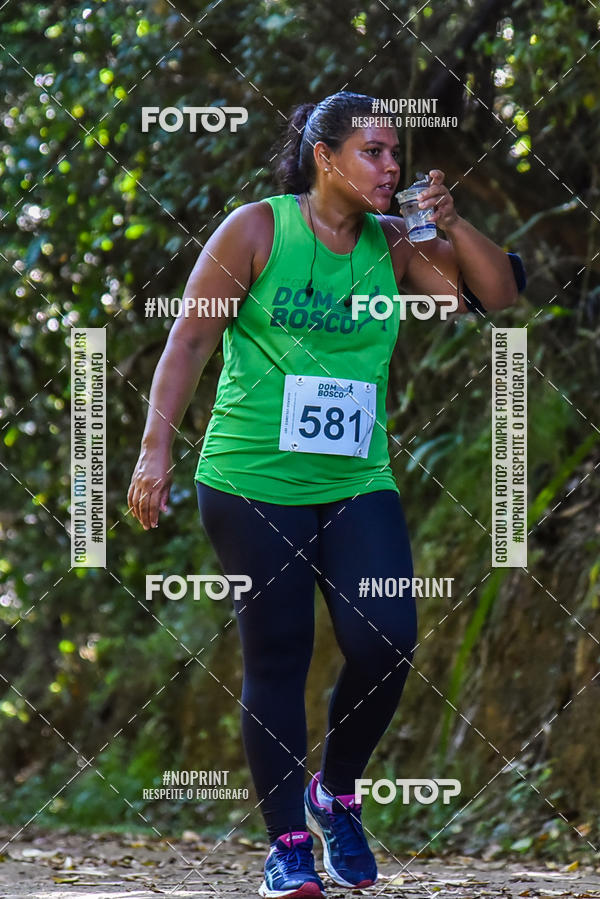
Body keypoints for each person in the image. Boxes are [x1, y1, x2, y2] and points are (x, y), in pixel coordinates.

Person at [128, 91, 523, 898]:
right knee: (279, 653)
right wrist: (153, 451)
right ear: (324, 156)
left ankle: (334, 793)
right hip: (250, 478)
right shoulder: (257, 229)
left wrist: (449, 227)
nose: (391, 167)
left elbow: (488, 295)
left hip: (354, 478)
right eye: (373, 151)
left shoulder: (396, 241)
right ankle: (286, 846)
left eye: (396, 153)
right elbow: (191, 339)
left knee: (387, 639)